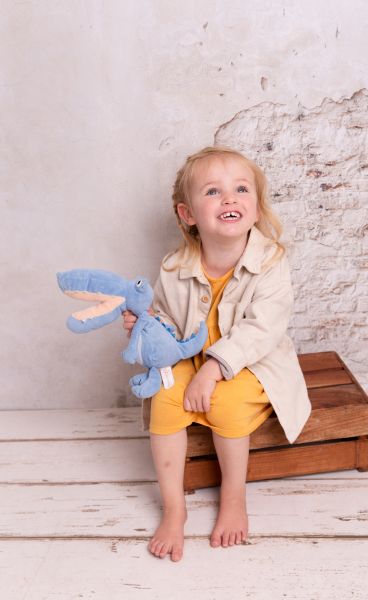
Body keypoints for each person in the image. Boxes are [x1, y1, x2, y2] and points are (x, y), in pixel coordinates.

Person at [122, 146, 311, 562]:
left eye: (241, 189)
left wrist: (213, 370)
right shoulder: (174, 267)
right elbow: (168, 320)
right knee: (165, 399)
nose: (229, 198)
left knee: (226, 401)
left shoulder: (271, 262)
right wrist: (147, 326)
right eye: (213, 191)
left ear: (256, 207)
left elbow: (262, 328)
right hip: (191, 359)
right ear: (188, 214)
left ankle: (234, 497)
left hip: (252, 361)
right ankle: (174, 508)